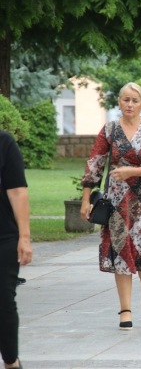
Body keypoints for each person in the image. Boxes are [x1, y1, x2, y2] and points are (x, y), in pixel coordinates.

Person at [81, 82, 141, 331]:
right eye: (125, 100)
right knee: (121, 252)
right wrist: (86, 199)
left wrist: (133, 170)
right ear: (119, 102)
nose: (130, 104)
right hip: (118, 203)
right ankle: (125, 309)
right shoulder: (109, 130)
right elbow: (94, 165)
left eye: (135, 100)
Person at [0, 131, 32, 369]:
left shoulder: (4, 142)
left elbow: (17, 191)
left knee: (3, 302)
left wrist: (25, 237)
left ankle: (11, 361)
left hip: (3, 236)